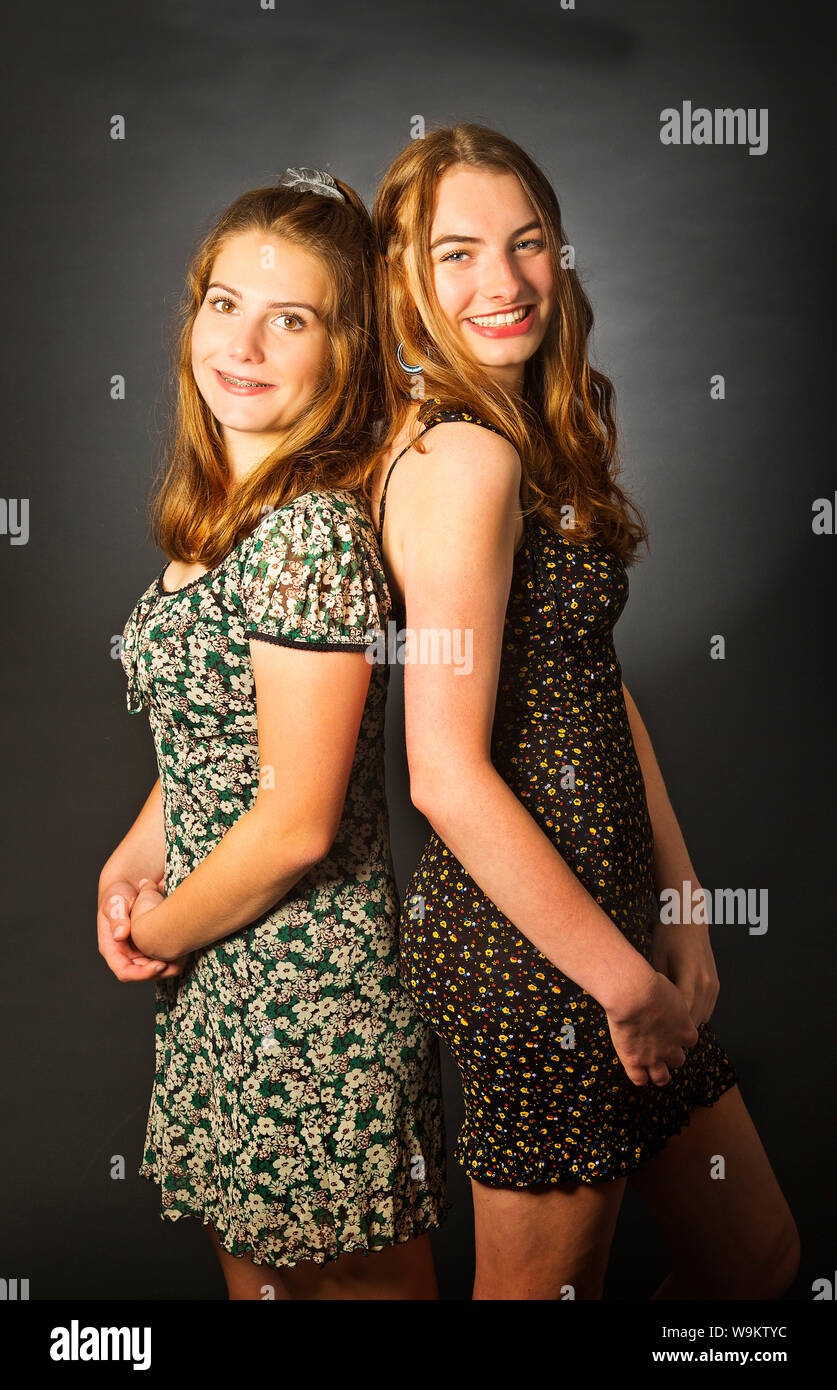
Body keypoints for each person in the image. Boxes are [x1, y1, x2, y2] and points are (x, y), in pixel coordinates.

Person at [367, 123, 799, 1300]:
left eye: (527, 243)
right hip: (533, 949)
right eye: (456, 254)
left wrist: (683, 899)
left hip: (611, 913)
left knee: (754, 1261)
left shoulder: (527, 437)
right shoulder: (461, 460)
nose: (502, 284)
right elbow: (442, 774)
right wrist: (621, 980)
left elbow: (589, 681)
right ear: (402, 282)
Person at [96, 169, 446, 1300]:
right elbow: (221, 735)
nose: (243, 342)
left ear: (343, 349)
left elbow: (296, 818)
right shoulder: (223, 520)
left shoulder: (308, 538)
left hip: (309, 998)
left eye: (289, 317)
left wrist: (165, 929)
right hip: (224, 981)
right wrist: (138, 851)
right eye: (224, 303)